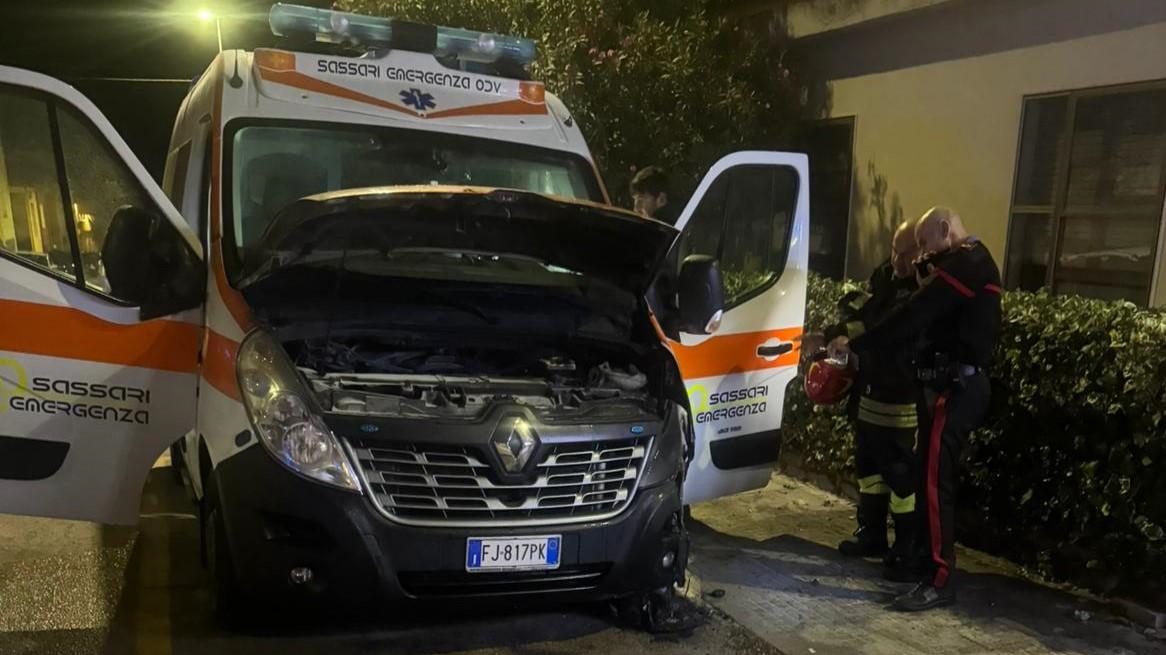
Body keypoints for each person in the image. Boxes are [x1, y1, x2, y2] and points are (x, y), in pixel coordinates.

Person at [842, 206, 1002, 611]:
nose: (921, 254)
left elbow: (915, 314)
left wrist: (857, 345)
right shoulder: (959, 263)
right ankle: (925, 566)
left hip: (956, 389)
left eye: (924, 243)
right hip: (945, 387)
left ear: (946, 229)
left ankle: (939, 579)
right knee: (927, 480)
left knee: (933, 486)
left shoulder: (968, 263)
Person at [824, 221, 921, 580]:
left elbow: (890, 330)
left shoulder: (923, 287)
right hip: (870, 392)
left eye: (906, 253)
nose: (897, 260)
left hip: (901, 400)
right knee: (868, 469)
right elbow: (868, 316)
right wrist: (838, 335)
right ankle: (872, 535)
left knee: (901, 478)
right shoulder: (886, 276)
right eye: (895, 250)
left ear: (923, 251)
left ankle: (906, 547)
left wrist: (855, 343)